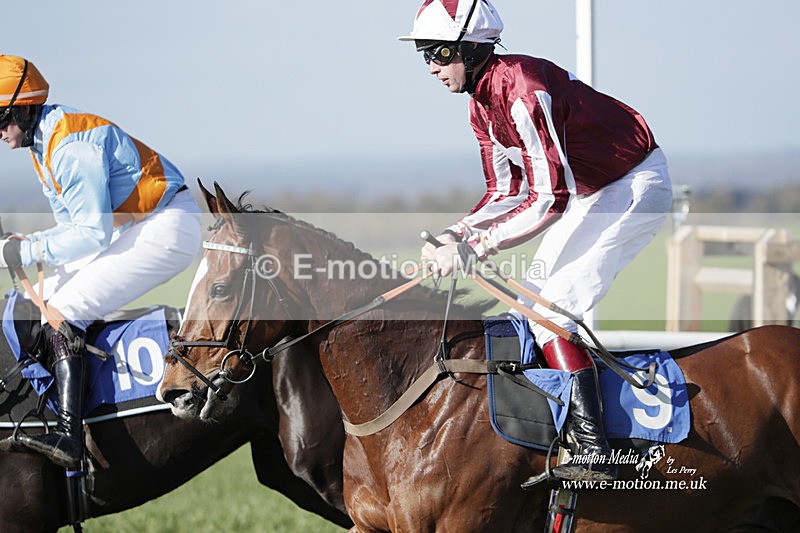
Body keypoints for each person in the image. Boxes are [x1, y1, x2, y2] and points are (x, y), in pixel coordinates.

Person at [402, 1, 672, 484]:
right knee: (530, 307)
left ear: (473, 48)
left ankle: (597, 453)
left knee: (553, 313)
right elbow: (504, 192)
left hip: (631, 184)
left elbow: (550, 199)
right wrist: (456, 233)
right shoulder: (479, 107)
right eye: (425, 54)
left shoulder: (523, 92)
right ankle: (557, 434)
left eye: (439, 53)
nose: (431, 67)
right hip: (592, 192)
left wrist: (475, 248)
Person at [0, 55, 201, 468]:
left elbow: (90, 232)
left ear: (23, 108)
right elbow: (72, 232)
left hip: (167, 225)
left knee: (64, 309)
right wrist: (28, 246)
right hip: (140, 225)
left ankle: (70, 437)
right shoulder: (43, 144)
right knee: (45, 297)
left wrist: (29, 249)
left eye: (0, 120)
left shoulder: (68, 148)